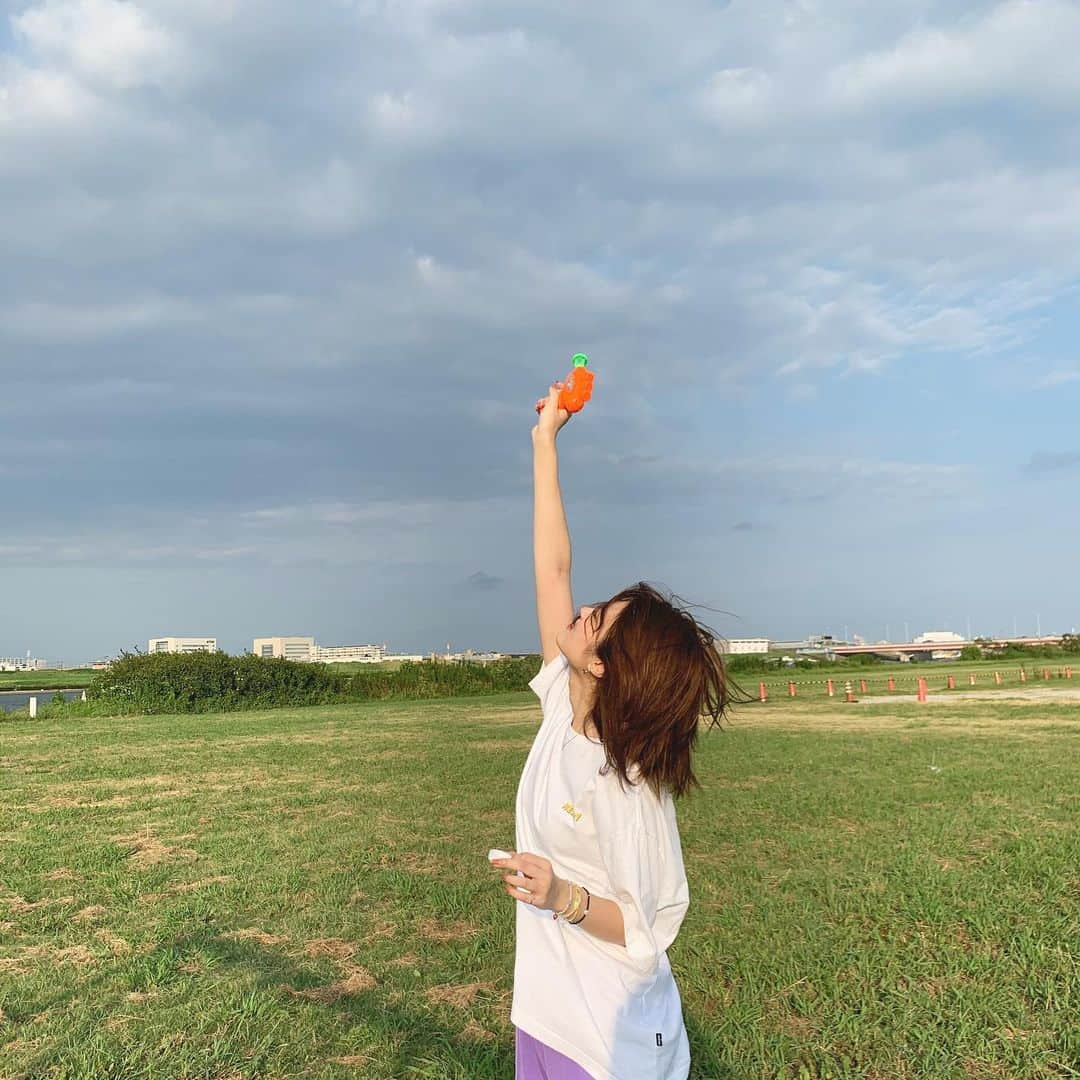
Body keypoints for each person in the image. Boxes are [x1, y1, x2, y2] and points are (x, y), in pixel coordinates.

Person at [491, 381, 730, 1079]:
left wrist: (560, 896)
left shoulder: (626, 789)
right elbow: (552, 566)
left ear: (602, 662)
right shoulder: (564, 708)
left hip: (610, 1044)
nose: (581, 608)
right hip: (545, 1012)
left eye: (598, 617)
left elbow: (648, 929)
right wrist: (545, 442)